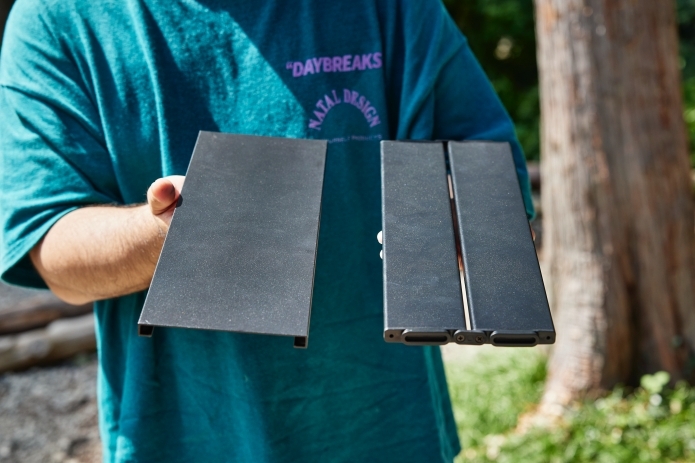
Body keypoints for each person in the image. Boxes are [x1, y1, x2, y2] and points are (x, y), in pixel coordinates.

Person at [0, 0, 534, 461]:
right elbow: (51, 249)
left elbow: (494, 181)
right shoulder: (60, 17)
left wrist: (473, 226)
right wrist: (177, 232)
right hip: (184, 441)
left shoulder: (391, 8)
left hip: (391, 430)